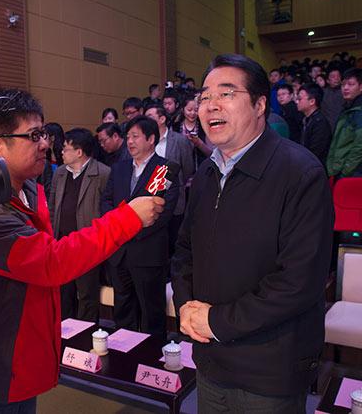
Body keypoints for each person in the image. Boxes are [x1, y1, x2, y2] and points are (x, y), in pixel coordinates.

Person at [0, 88, 165, 414]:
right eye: (33, 136)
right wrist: (128, 218)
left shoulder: (27, 189)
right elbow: (52, 261)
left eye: (44, 134)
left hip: (20, 358)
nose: (46, 144)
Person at [172, 54, 333, 412]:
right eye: (204, 96)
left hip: (268, 370)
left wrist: (215, 321)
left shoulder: (300, 173)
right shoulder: (206, 174)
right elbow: (184, 252)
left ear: (260, 105)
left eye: (226, 93)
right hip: (210, 358)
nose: (211, 104)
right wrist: (186, 308)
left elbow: (299, 281)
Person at [101, 115, 178, 339]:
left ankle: (151, 355)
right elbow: (106, 201)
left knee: (151, 310)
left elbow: (161, 212)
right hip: (119, 251)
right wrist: (119, 225)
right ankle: (124, 350)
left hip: (146, 251)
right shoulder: (120, 168)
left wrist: (127, 226)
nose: (130, 142)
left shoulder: (163, 169)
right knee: (123, 307)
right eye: (128, 137)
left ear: (151, 139)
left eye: (135, 136)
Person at [49, 128, 110, 322]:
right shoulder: (60, 173)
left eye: (66, 149)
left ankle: (86, 334)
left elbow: (106, 210)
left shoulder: (102, 173)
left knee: (87, 295)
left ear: (79, 152)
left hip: (87, 244)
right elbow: (52, 207)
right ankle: (65, 332)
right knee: (64, 292)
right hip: (62, 243)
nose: (61, 152)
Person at [144, 104, 194, 260]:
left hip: (175, 201)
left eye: (150, 116)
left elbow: (187, 168)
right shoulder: (145, 140)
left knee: (173, 242)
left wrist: (174, 186)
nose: (146, 120)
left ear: (162, 119)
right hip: (148, 201)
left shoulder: (179, 141)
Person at [327, 68, 362, 178]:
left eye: (350, 84)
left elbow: (361, 146)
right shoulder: (348, 108)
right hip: (343, 170)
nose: (345, 88)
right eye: (343, 84)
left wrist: (345, 171)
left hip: (356, 172)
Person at [296, 83, 332, 167]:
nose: (297, 101)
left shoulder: (320, 123)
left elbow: (315, 152)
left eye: (299, 99)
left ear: (312, 101)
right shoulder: (307, 119)